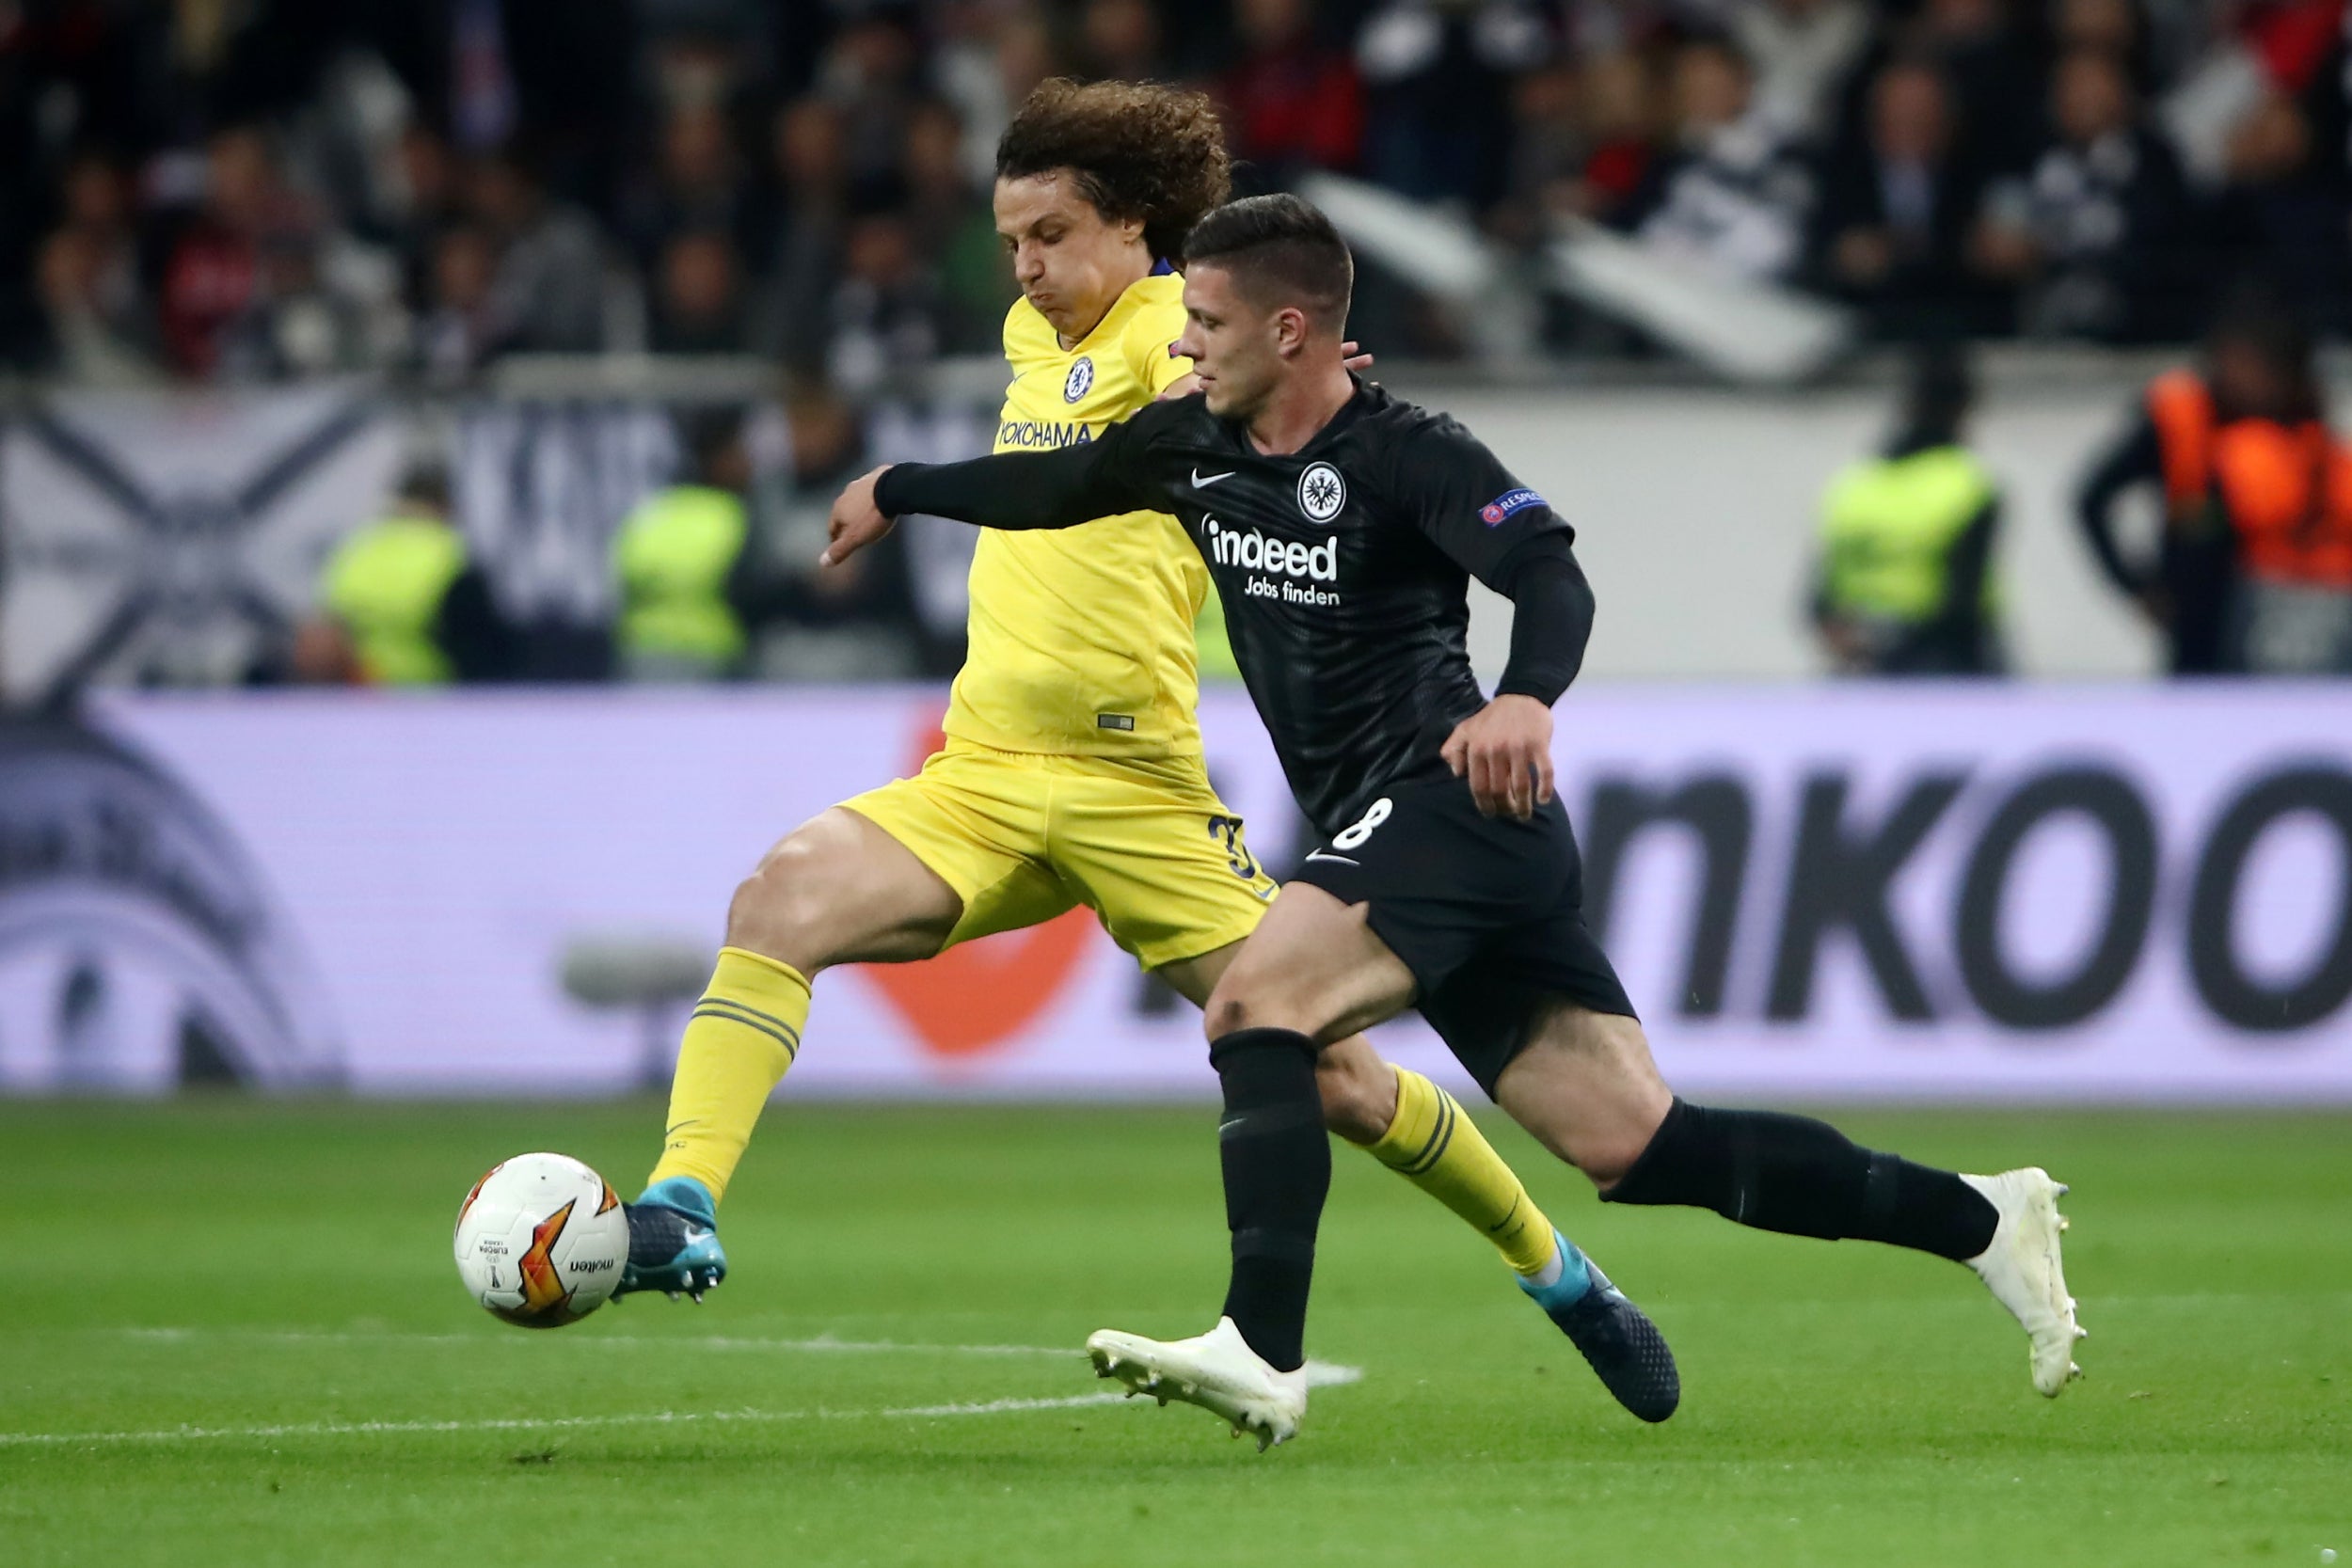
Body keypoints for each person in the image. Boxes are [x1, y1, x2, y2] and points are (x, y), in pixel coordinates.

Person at [824, 195, 2084, 1450]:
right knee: (1639, 1145)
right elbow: (1058, 484)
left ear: (1294, 327)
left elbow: (1549, 571)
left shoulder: (1410, 452)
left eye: (1206, 320)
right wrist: (902, 486)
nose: (1186, 342)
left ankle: (1262, 1347)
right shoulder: (1186, 448)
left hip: (1452, 806)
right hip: (1440, 839)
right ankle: (1980, 1216)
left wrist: (1529, 696)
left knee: (1260, 1005)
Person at [617, 82, 1676, 1423]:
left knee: (1338, 1075)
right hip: (986, 771)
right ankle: (681, 1204)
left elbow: (1295, 383)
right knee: (779, 897)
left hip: (1141, 792)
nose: (1028, 269)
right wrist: (903, 486)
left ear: (1136, 230)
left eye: (1053, 235)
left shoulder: (1185, 340)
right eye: (1011, 242)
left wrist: (1335, 378)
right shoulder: (1027, 331)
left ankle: (1563, 1272)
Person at [2077, 295, 2352, 673]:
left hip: (2293, 609)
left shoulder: (2306, 432)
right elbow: (2091, 498)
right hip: (2199, 611)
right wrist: (2135, 586)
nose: (2244, 376)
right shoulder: (2179, 419)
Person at [1812, 344, 2004, 675]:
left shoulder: (1856, 484)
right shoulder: (1968, 483)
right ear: (1965, 408)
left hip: (1863, 658)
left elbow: (1819, 599)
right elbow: (1963, 604)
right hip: (1941, 661)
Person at [296, 465, 515, 687]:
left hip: (364, 689)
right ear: (447, 504)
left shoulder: (357, 549)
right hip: (434, 691)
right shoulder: (451, 551)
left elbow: (327, 630)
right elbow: (477, 641)